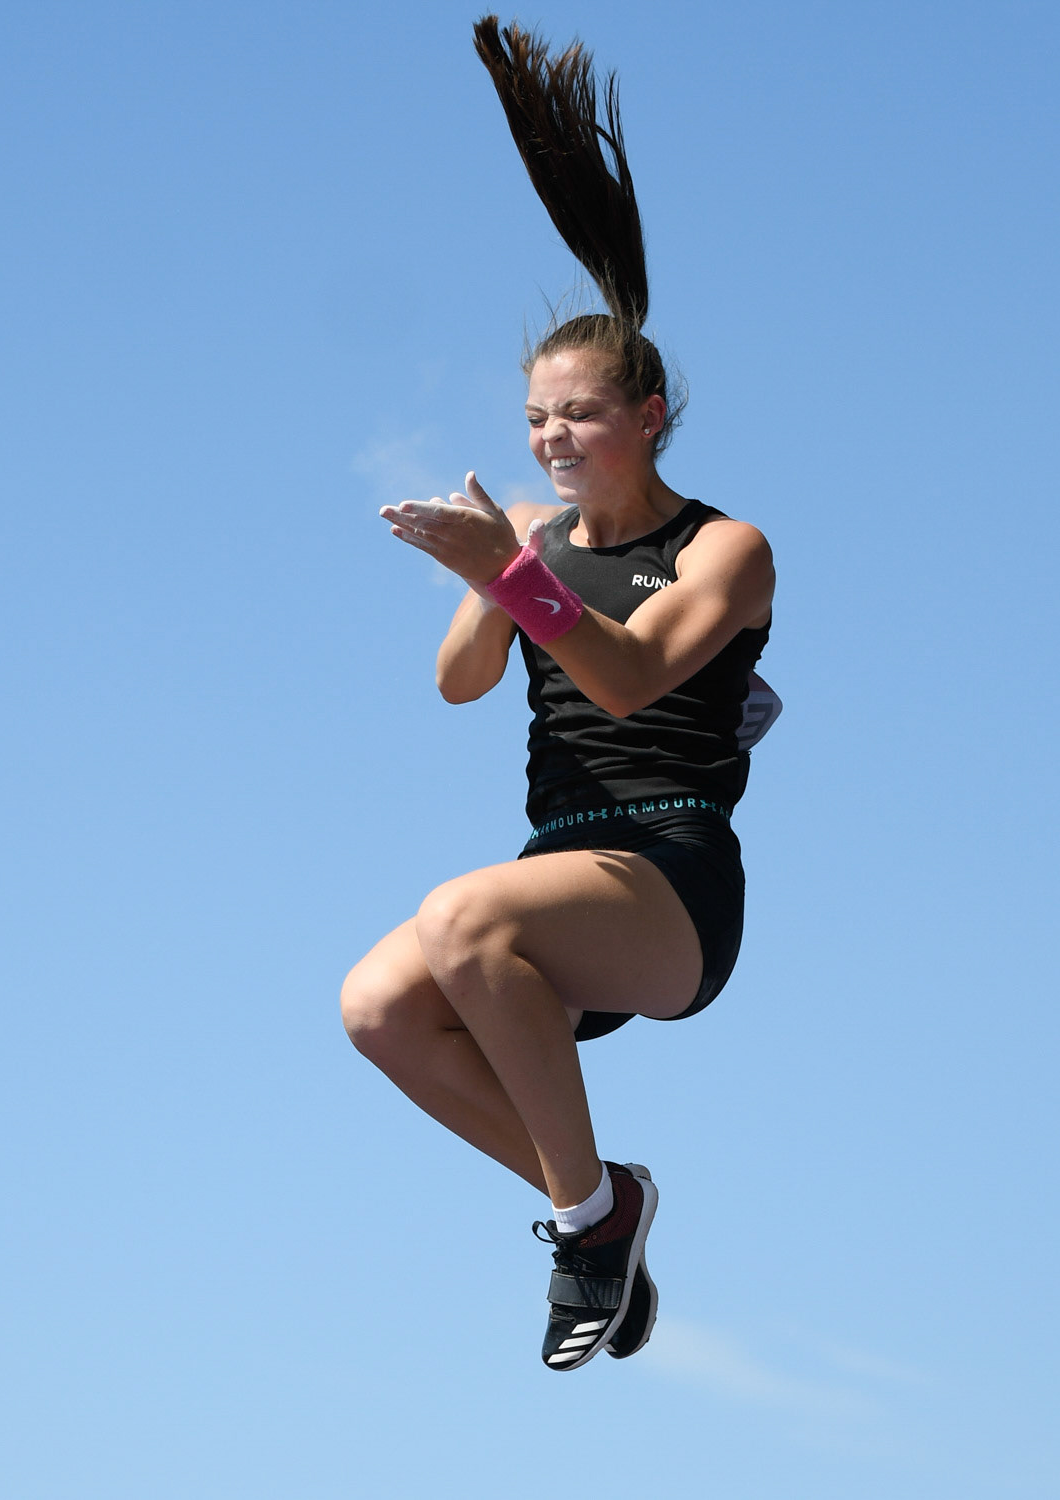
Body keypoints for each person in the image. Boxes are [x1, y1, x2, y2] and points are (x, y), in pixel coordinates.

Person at [340, 16, 776, 1372]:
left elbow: (637, 679)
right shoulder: (537, 534)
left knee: (460, 915)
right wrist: (502, 567)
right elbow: (460, 684)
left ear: (647, 414)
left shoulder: (724, 548)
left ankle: (592, 1228)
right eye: (535, 420)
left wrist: (522, 579)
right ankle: (597, 1204)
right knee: (379, 1007)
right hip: (562, 865)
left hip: (670, 873)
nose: (549, 439)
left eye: (575, 417)